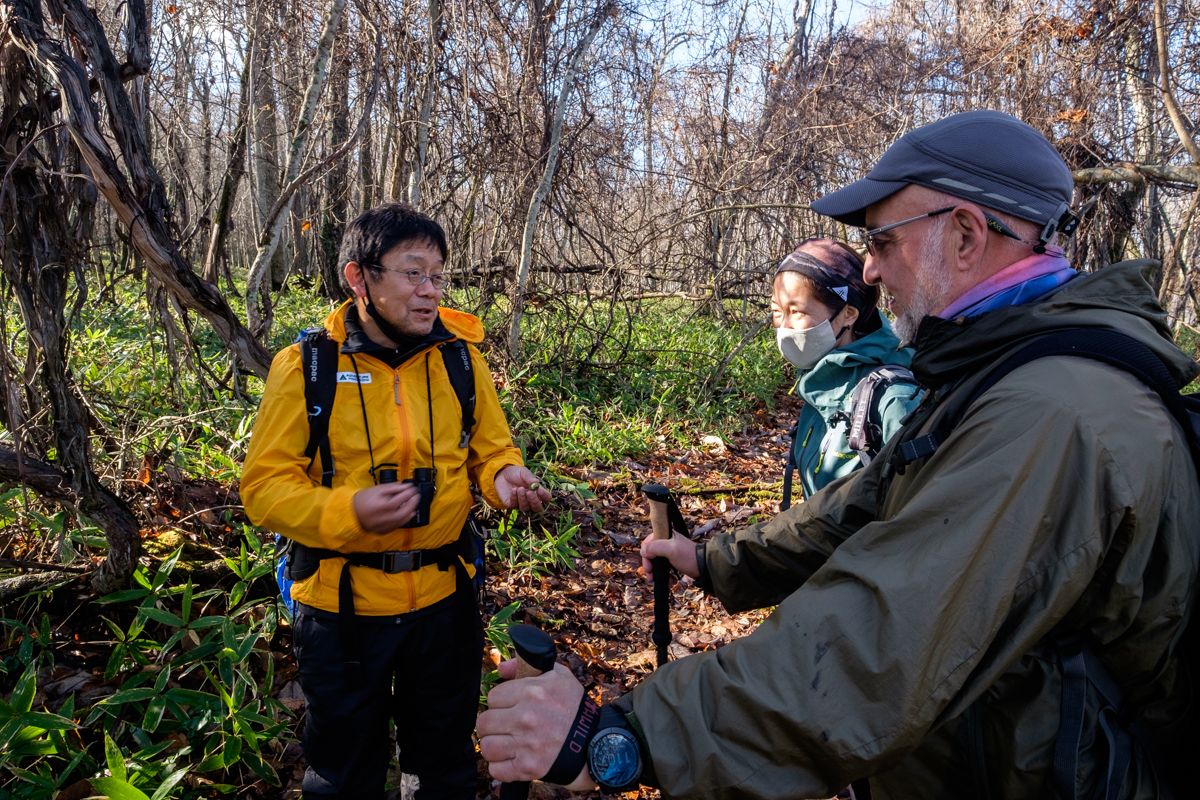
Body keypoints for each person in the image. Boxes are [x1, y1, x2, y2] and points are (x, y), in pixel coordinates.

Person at [476, 111, 1199, 797]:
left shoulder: (1051, 411)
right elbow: (860, 508)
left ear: (968, 236)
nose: (873, 273)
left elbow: (882, 644)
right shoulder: (1003, 370)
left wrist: (621, 737)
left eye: (882, 242)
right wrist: (722, 560)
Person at [241, 202, 550, 800]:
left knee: (444, 763)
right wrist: (348, 512)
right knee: (343, 768)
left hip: (445, 601)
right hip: (340, 610)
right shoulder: (306, 367)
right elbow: (264, 488)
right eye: (413, 273)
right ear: (359, 277)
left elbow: (490, 451)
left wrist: (505, 477)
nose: (429, 291)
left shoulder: (461, 359)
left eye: (437, 275)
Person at [771, 238, 921, 504]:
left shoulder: (893, 398)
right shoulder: (820, 383)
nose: (784, 326)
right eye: (776, 311)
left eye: (796, 311)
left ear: (848, 314)